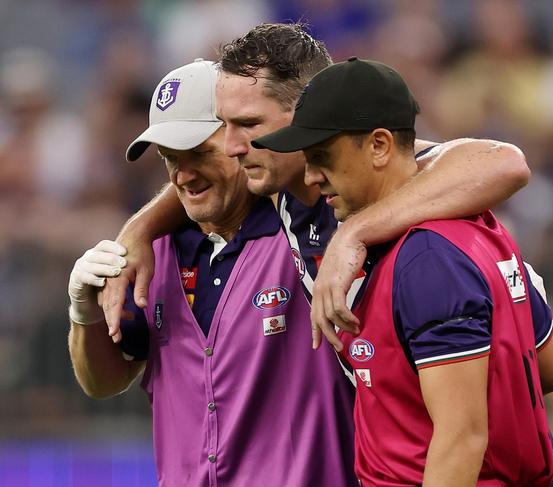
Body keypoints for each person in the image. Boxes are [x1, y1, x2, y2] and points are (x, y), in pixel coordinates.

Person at [100, 23, 532, 354]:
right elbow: (195, 177)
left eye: (248, 125)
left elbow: (504, 162)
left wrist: (354, 232)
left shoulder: (370, 183)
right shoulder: (276, 177)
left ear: (308, 110)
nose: (231, 147)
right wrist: (137, 232)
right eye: (224, 125)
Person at [252, 57, 553, 487]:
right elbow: (550, 370)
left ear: (379, 146)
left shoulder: (426, 260)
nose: (311, 176)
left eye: (322, 156)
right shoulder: (480, 225)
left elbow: (460, 439)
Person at [68, 59, 357, 487]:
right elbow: (103, 381)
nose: (183, 175)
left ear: (242, 139)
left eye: (200, 153)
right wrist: (82, 314)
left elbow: (470, 162)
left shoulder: (306, 225)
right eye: (170, 159)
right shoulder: (151, 253)